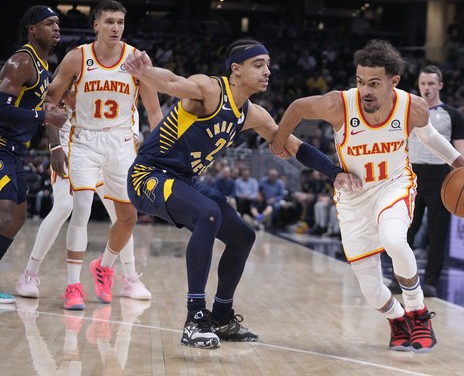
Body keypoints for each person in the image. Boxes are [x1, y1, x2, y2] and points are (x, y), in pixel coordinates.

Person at [123, 38, 362, 349]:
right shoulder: (209, 88)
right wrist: (146, 72)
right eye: (258, 65)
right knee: (208, 213)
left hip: (182, 179)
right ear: (235, 69)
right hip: (148, 175)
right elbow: (172, 82)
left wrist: (335, 173)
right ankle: (195, 318)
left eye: (268, 65)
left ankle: (221, 316)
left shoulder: (253, 114)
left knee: (243, 237)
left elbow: (291, 144)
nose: (267, 71)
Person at [271, 39, 464, 353]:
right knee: (370, 288)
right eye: (361, 81)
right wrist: (278, 142)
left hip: (394, 185)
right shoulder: (339, 104)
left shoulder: (412, 106)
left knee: (394, 238)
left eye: (374, 83)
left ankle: (418, 313)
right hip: (353, 197)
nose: (365, 89)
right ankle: (397, 319)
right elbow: (297, 108)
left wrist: (461, 164)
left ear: (394, 82)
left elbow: (430, 136)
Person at [42, 0, 163, 310]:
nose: (115, 28)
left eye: (120, 22)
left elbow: (153, 110)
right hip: (84, 140)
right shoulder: (77, 58)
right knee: (80, 207)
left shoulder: (136, 60)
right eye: (109, 21)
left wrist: (160, 152)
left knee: (128, 217)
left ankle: (105, 267)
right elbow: (50, 102)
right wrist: (55, 144)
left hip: (121, 143)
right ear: (95, 25)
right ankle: (73, 287)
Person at [15, 89, 152, 302]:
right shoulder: (76, 63)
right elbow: (52, 108)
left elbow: (128, 108)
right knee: (64, 207)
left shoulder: (120, 72)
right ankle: (29, 274)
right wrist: (56, 147)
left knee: (122, 216)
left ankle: (130, 278)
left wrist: (133, 135)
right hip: (71, 147)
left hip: (106, 148)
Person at [0, 5, 68, 303]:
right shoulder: (21, 62)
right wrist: (42, 118)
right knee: (3, 215)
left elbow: (46, 111)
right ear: (32, 28)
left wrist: (55, 145)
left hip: (17, 152)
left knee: (17, 218)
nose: (56, 28)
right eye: (49, 23)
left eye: (57, 23)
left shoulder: (43, 65)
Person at [404, 64, 464, 298]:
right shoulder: (408, 111)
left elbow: (460, 147)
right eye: (423, 83)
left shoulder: (453, 114)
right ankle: (403, 279)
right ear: (418, 85)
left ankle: (431, 282)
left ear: (440, 85)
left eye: (431, 83)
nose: (427, 88)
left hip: (442, 176)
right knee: (405, 231)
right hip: (412, 175)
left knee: (437, 232)